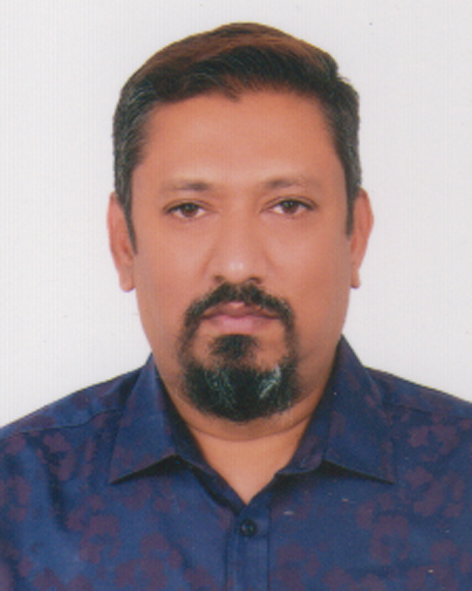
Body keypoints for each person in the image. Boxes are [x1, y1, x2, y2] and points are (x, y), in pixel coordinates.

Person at [1, 22, 471, 590]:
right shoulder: (16, 501)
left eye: (288, 205)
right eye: (189, 209)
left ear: (356, 236)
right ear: (124, 243)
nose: (238, 263)